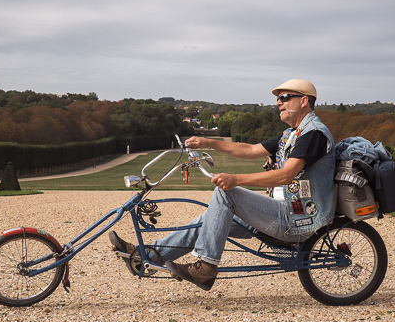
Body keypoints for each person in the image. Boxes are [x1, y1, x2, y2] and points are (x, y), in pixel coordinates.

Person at [109, 79, 336, 291]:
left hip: (297, 219)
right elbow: (250, 150)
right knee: (207, 221)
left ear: (304, 101)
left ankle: (206, 267)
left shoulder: (313, 133)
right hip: (281, 211)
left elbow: (286, 175)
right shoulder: (291, 134)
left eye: (285, 97)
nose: (279, 102)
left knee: (226, 193)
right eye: (279, 98)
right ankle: (147, 256)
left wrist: (235, 179)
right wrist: (209, 142)